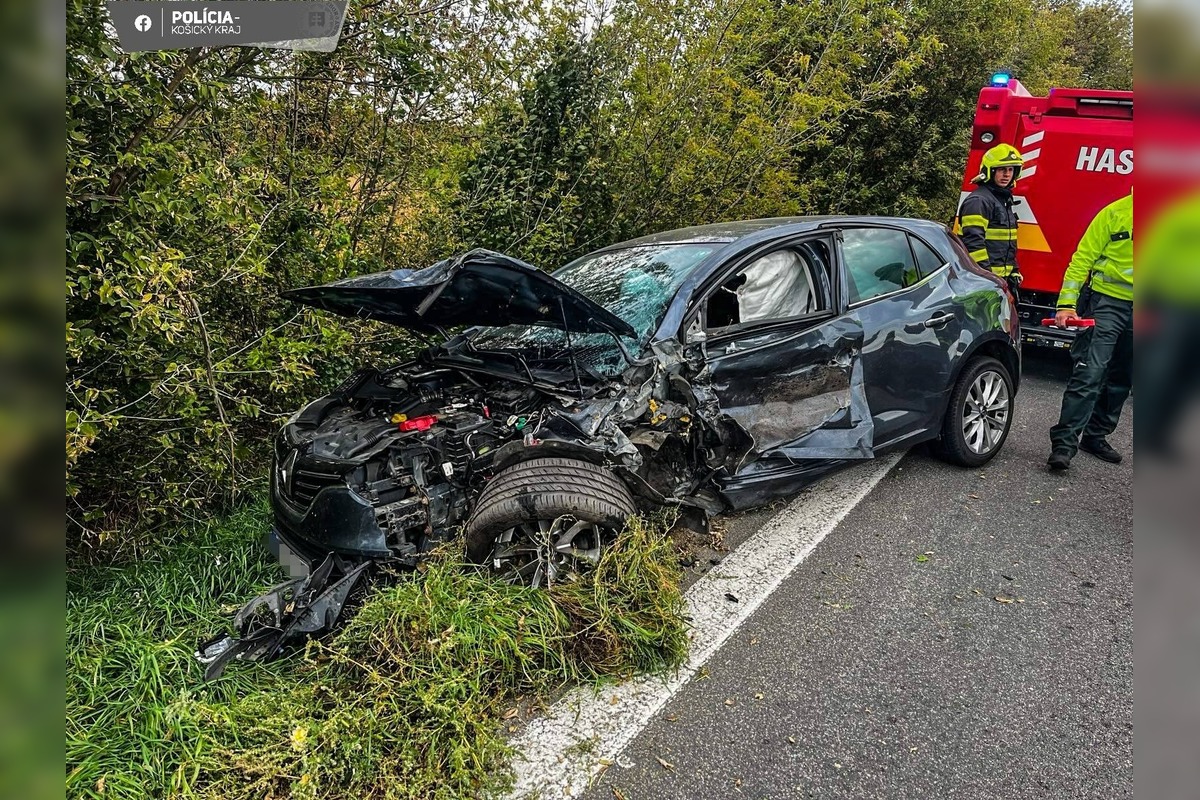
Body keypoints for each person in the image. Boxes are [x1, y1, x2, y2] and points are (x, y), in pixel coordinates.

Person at [1047, 191, 1134, 470]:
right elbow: (1082, 259)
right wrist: (1066, 304)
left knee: (1123, 376)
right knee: (1090, 373)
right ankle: (1064, 444)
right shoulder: (1115, 213)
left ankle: (1095, 436)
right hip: (1105, 303)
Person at [957, 143, 1024, 296]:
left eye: (1010, 170)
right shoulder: (979, 201)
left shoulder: (1001, 200)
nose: (1006, 174)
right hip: (980, 284)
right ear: (989, 171)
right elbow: (973, 244)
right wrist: (987, 279)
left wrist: (1013, 270)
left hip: (997, 282)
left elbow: (1006, 243)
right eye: (1001, 170)